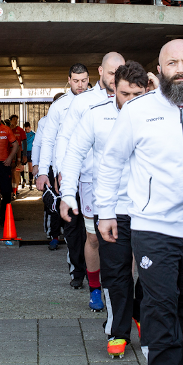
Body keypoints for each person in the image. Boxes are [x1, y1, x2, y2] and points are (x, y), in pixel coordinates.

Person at [95, 40, 183, 365]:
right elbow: (111, 161)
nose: (180, 69)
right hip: (152, 228)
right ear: (159, 69)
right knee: (159, 305)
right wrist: (106, 210)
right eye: (172, 63)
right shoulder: (137, 111)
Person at [61, 62, 148, 358]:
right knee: (116, 271)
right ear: (113, 90)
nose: (131, 100)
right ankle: (118, 330)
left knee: (150, 271)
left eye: (138, 94)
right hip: (112, 208)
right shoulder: (96, 115)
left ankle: (142, 315)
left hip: (151, 210)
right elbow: (74, 153)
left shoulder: (158, 115)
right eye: (125, 94)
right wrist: (67, 194)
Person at [58, 52, 126, 309]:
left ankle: (124, 290)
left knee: (124, 240)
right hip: (90, 181)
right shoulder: (84, 101)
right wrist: (64, 175)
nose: (115, 78)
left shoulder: (134, 98)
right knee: (94, 238)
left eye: (120, 72)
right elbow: (66, 139)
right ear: (100, 71)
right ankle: (95, 289)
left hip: (126, 184)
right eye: (111, 73)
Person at [36, 65, 90, 276]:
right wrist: (44, 171)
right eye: (76, 81)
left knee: (92, 225)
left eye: (84, 80)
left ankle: (94, 271)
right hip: (66, 173)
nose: (80, 85)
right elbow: (48, 140)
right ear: (68, 80)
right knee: (72, 223)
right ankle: (77, 270)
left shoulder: (98, 100)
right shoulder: (59, 106)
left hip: (93, 173)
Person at [9, 115, 26, 198]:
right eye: (14, 119)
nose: (15, 121)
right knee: (9, 173)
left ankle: (14, 191)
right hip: (8, 154)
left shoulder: (20, 130)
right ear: (10, 120)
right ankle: (9, 190)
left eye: (17, 119)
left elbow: (24, 142)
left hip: (18, 153)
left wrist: (24, 155)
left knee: (16, 173)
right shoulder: (7, 129)